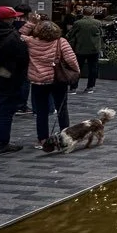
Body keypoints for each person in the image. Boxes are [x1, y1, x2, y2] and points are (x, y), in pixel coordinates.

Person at [20, 18, 78, 149]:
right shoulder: (60, 42)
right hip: (58, 80)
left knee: (41, 111)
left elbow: (19, 35)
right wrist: (75, 72)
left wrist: (30, 23)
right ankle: (65, 136)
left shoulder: (31, 42)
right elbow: (71, 59)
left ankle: (42, 139)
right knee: (62, 109)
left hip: (38, 81)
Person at [0, 6, 29, 154]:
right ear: (6, 19)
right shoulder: (12, 36)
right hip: (6, 80)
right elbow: (23, 59)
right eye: (13, 17)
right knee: (5, 113)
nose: (15, 19)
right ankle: (2, 143)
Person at [66, 7, 103, 94]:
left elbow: (71, 34)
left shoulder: (78, 23)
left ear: (83, 13)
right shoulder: (98, 23)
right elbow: (101, 34)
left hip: (80, 49)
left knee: (77, 68)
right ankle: (90, 87)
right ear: (93, 14)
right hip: (94, 49)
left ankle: (73, 88)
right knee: (93, 69)